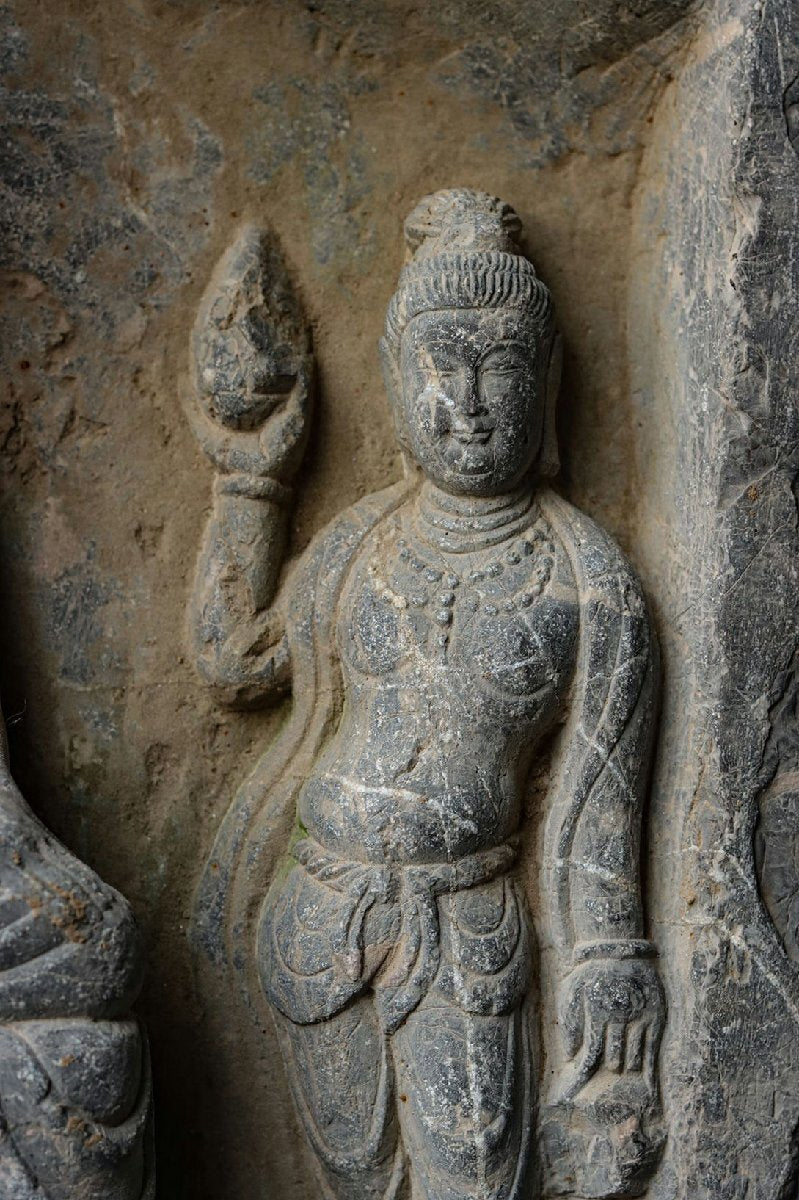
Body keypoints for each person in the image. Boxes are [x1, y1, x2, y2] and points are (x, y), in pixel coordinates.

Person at [190, 189, 665, 1200]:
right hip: (318, 910)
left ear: (546, 388)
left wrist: (610, 952)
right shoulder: (360, 541)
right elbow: (234, 661)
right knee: (347, 1179)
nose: (471, 403)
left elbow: (598, 797)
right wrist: (249, 479)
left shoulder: (587, 577)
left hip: (469, 931)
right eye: (440, 370)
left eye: (501, 369)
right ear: (396, 382)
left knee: (473, 1179)